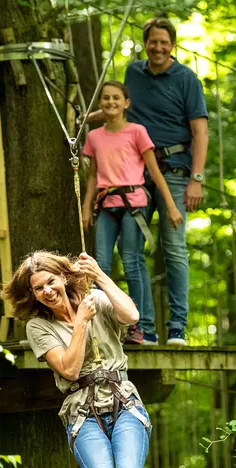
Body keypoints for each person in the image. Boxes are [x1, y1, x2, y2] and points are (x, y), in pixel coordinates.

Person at [1, 251, 152, 468]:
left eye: (51, 281)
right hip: (83, 413)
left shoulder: (95, 299)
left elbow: (131, 316)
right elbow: (69, 370)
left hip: (124, 401)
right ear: (33, 294)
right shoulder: (38, 327)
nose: (48, 291)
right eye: (39, 288)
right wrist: (80, 322)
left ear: (63, 278)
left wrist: (99, 275)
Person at [124, 17, 209, 346]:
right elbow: (122, 113)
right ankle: (143, 326)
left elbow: (200, 130)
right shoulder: (133, 73)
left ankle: (177, 326)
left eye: (164, 42)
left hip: (174, 171)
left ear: (172, 45)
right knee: (131, 249)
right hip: (136, 174)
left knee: (174, 249)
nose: (158, 48)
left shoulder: (187, 79)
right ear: (145, 43)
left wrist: (196, 179)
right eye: (152, 42)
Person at [81, 80, 183, 345]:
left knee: (132, 261)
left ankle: (144, 328)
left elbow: (155, 171)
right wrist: (85, 208)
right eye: (105, 98)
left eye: (116, 98)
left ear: (126, 103)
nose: (110, 102)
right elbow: (93, 176)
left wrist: (171, 206)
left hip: (133, 202)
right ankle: (101, 325)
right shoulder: (94, 137)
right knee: (99, 265)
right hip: (105, 204)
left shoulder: (137, 132)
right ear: (100, 104)